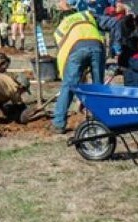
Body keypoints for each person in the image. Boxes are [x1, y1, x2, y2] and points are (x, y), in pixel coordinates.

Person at [50, 0, 116, 134]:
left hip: (76, 50)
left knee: (68, 86)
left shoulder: (61, 27)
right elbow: (111, 23)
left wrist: (66, 74)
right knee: (98, 86)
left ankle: (58, 122)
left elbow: (63, 53)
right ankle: (101, 120)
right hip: (97, 46)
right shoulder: (86, 15)